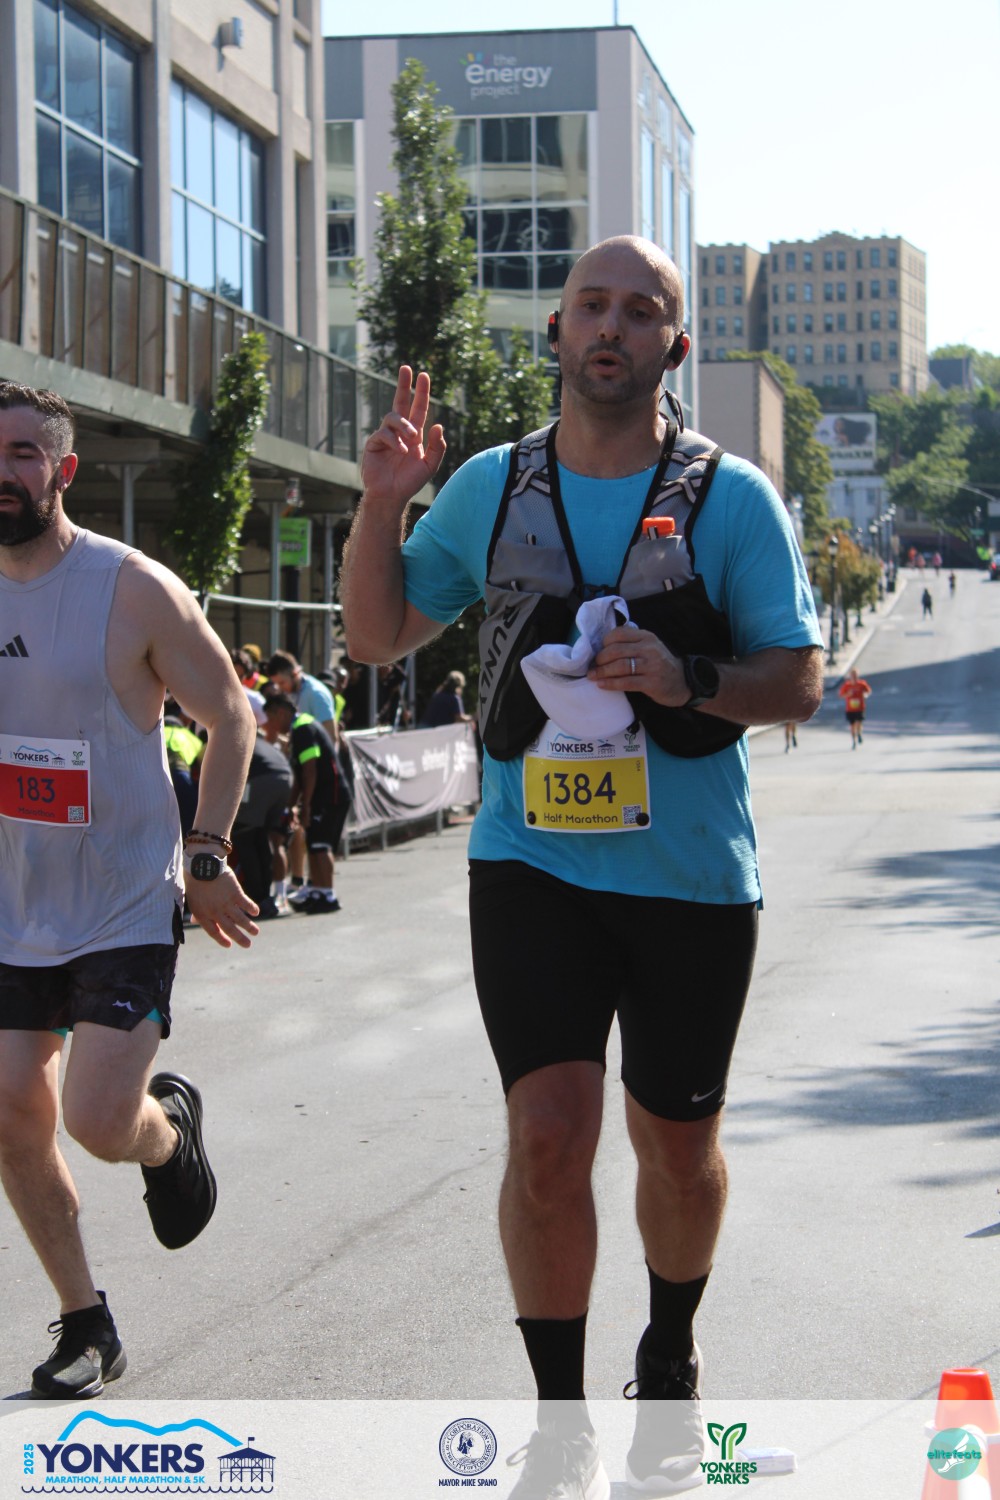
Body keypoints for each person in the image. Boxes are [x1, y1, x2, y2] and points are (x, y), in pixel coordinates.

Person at [341, 236, 823, 1498]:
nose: (612, 327)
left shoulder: (731, 500)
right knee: (548, 1139)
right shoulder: (491, 488)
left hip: (690, 878)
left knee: (677, 1147)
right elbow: (378, 632)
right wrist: (382, 501)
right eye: (590, 306)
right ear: (556, 332)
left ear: (675, 345)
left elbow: (797, 680)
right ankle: (559, 1423)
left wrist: (688, 676)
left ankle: (667, 1349)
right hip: (531, 867)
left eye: (641, 311)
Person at [0, 381, 259, 1399]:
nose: (3, 472)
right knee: (12, 1114)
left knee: (100, 1121)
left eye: (23, 453)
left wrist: (208, 853)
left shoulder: (131, 588)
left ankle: (165, 1131)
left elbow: (230, 714)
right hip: (11, 903)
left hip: (121, 896)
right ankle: (86, 1324)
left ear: (63, 470)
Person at [261, 695, 351, 915]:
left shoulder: (303, 728)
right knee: (314, 844)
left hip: (330, 794)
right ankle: (318, 892)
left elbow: (310, 769)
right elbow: (300, 775)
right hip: (321, 794)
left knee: (321, 845)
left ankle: (328, 895)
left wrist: (307, 805)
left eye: (271, 718)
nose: (270, 725)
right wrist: (292, 806)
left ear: (282, 713)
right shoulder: (299, 729)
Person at [838, 668, 872, 748]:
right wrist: (848, 694)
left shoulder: (862, 684)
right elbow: (841, 695)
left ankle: (859, 734)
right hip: (850, 709)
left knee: (859, 723)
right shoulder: (847, 685)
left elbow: (868, 691)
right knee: (852, 725)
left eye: (855, 675)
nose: (854, 677)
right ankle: (854, 741)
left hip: (860, 708)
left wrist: (865, 695)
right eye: (852, 675)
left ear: (857, 676)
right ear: (850, 676)